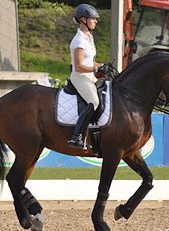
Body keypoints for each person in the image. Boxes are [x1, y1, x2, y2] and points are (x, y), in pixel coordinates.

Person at [68, 3, 109, 149]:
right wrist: (96, 67)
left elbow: (90, 61)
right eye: (93, 19)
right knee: (94, 101)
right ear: (83, 20)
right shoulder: (79, 40)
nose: (96, 21)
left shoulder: (89, 37)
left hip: (89, 76)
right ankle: (76, 136)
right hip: (79, 77)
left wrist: (102, 65)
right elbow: (79, 66)